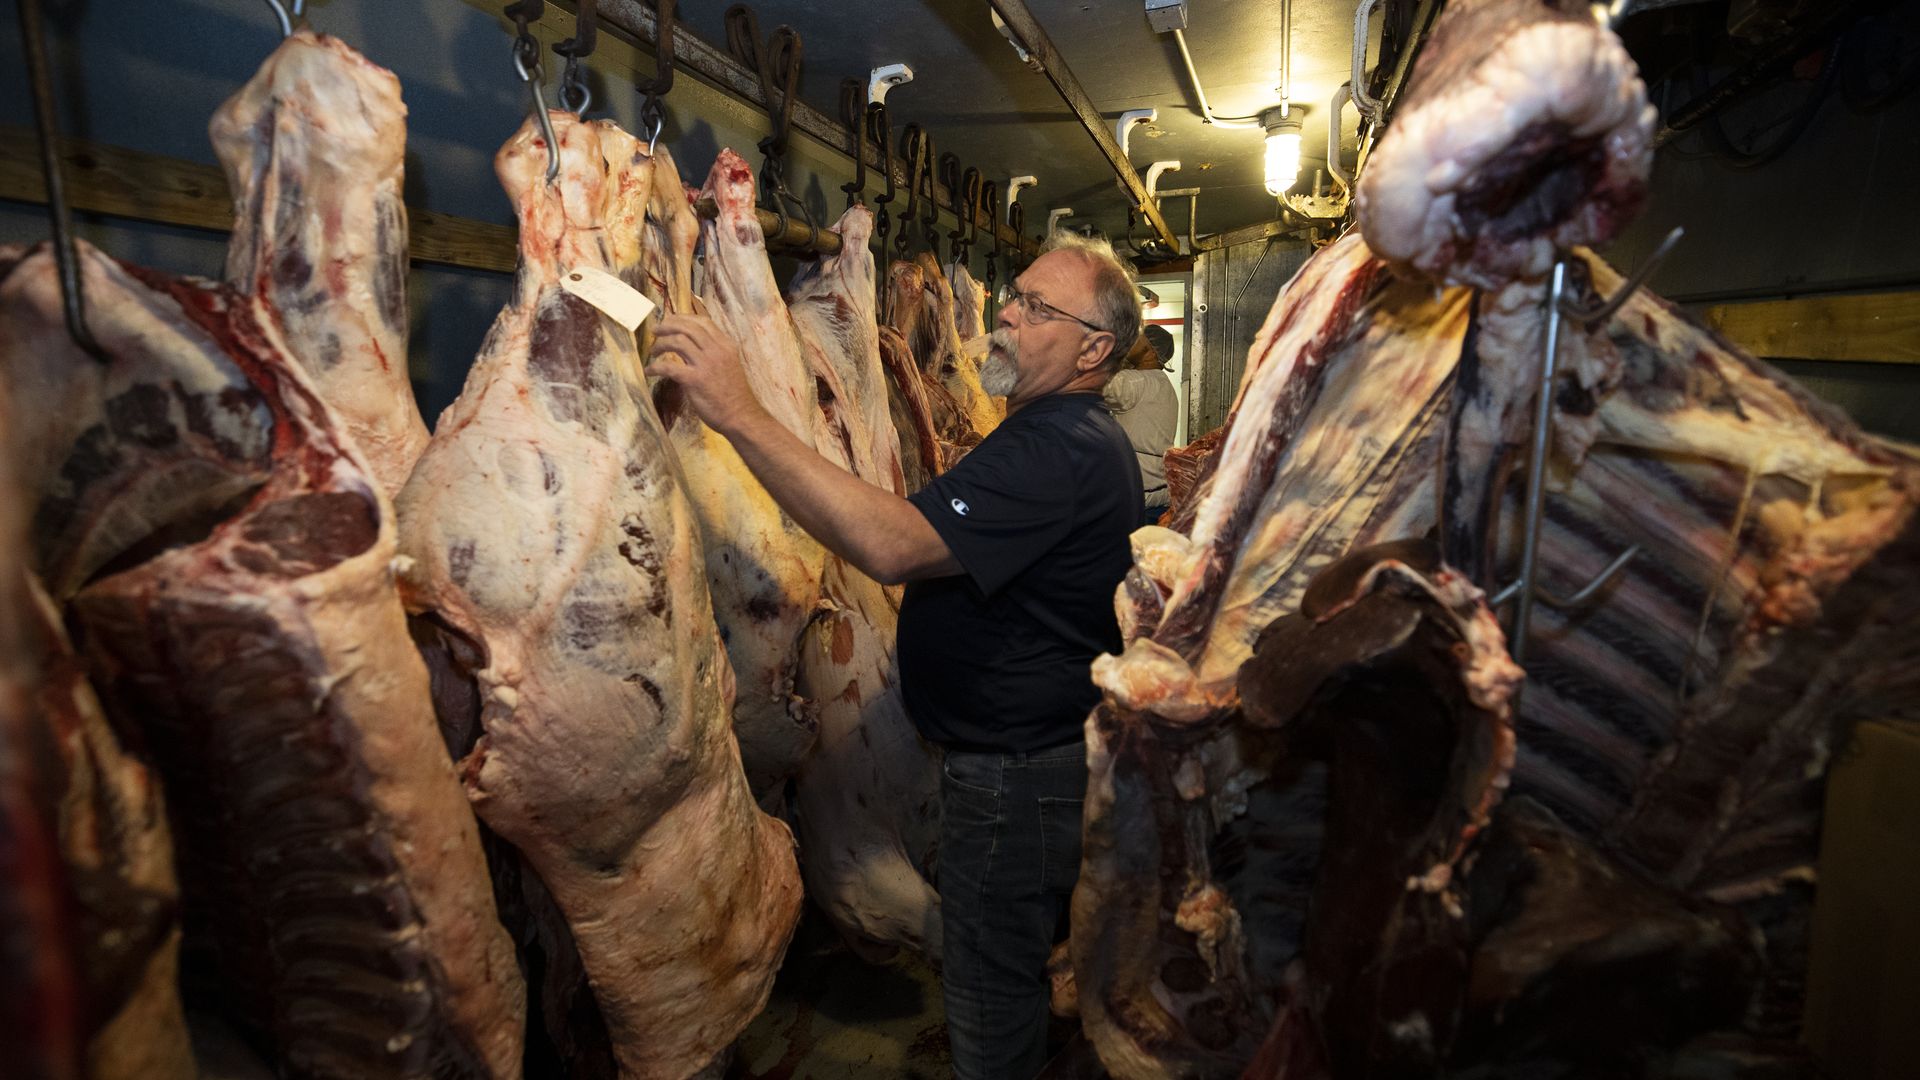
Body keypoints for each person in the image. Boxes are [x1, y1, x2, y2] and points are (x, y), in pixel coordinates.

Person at [647, 231, 1143, 1080]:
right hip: (1024, 758)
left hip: (1015, 774)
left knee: (989, 1005)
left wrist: (738, 411)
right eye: (1014, 294)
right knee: (1009, 970)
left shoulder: (1056, 447)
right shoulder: (1061, 435)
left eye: (1037, 309)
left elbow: (890, 544)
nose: (1008, 317)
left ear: (1095, 348)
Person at [1103, 324, 1180, 525]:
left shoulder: (1135, 382)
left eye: (1138, 340)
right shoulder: (1164, 385)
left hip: (1136, 499)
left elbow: (1093, 383)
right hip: (1157, 495)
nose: (1130, 343)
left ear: (1150, 352)